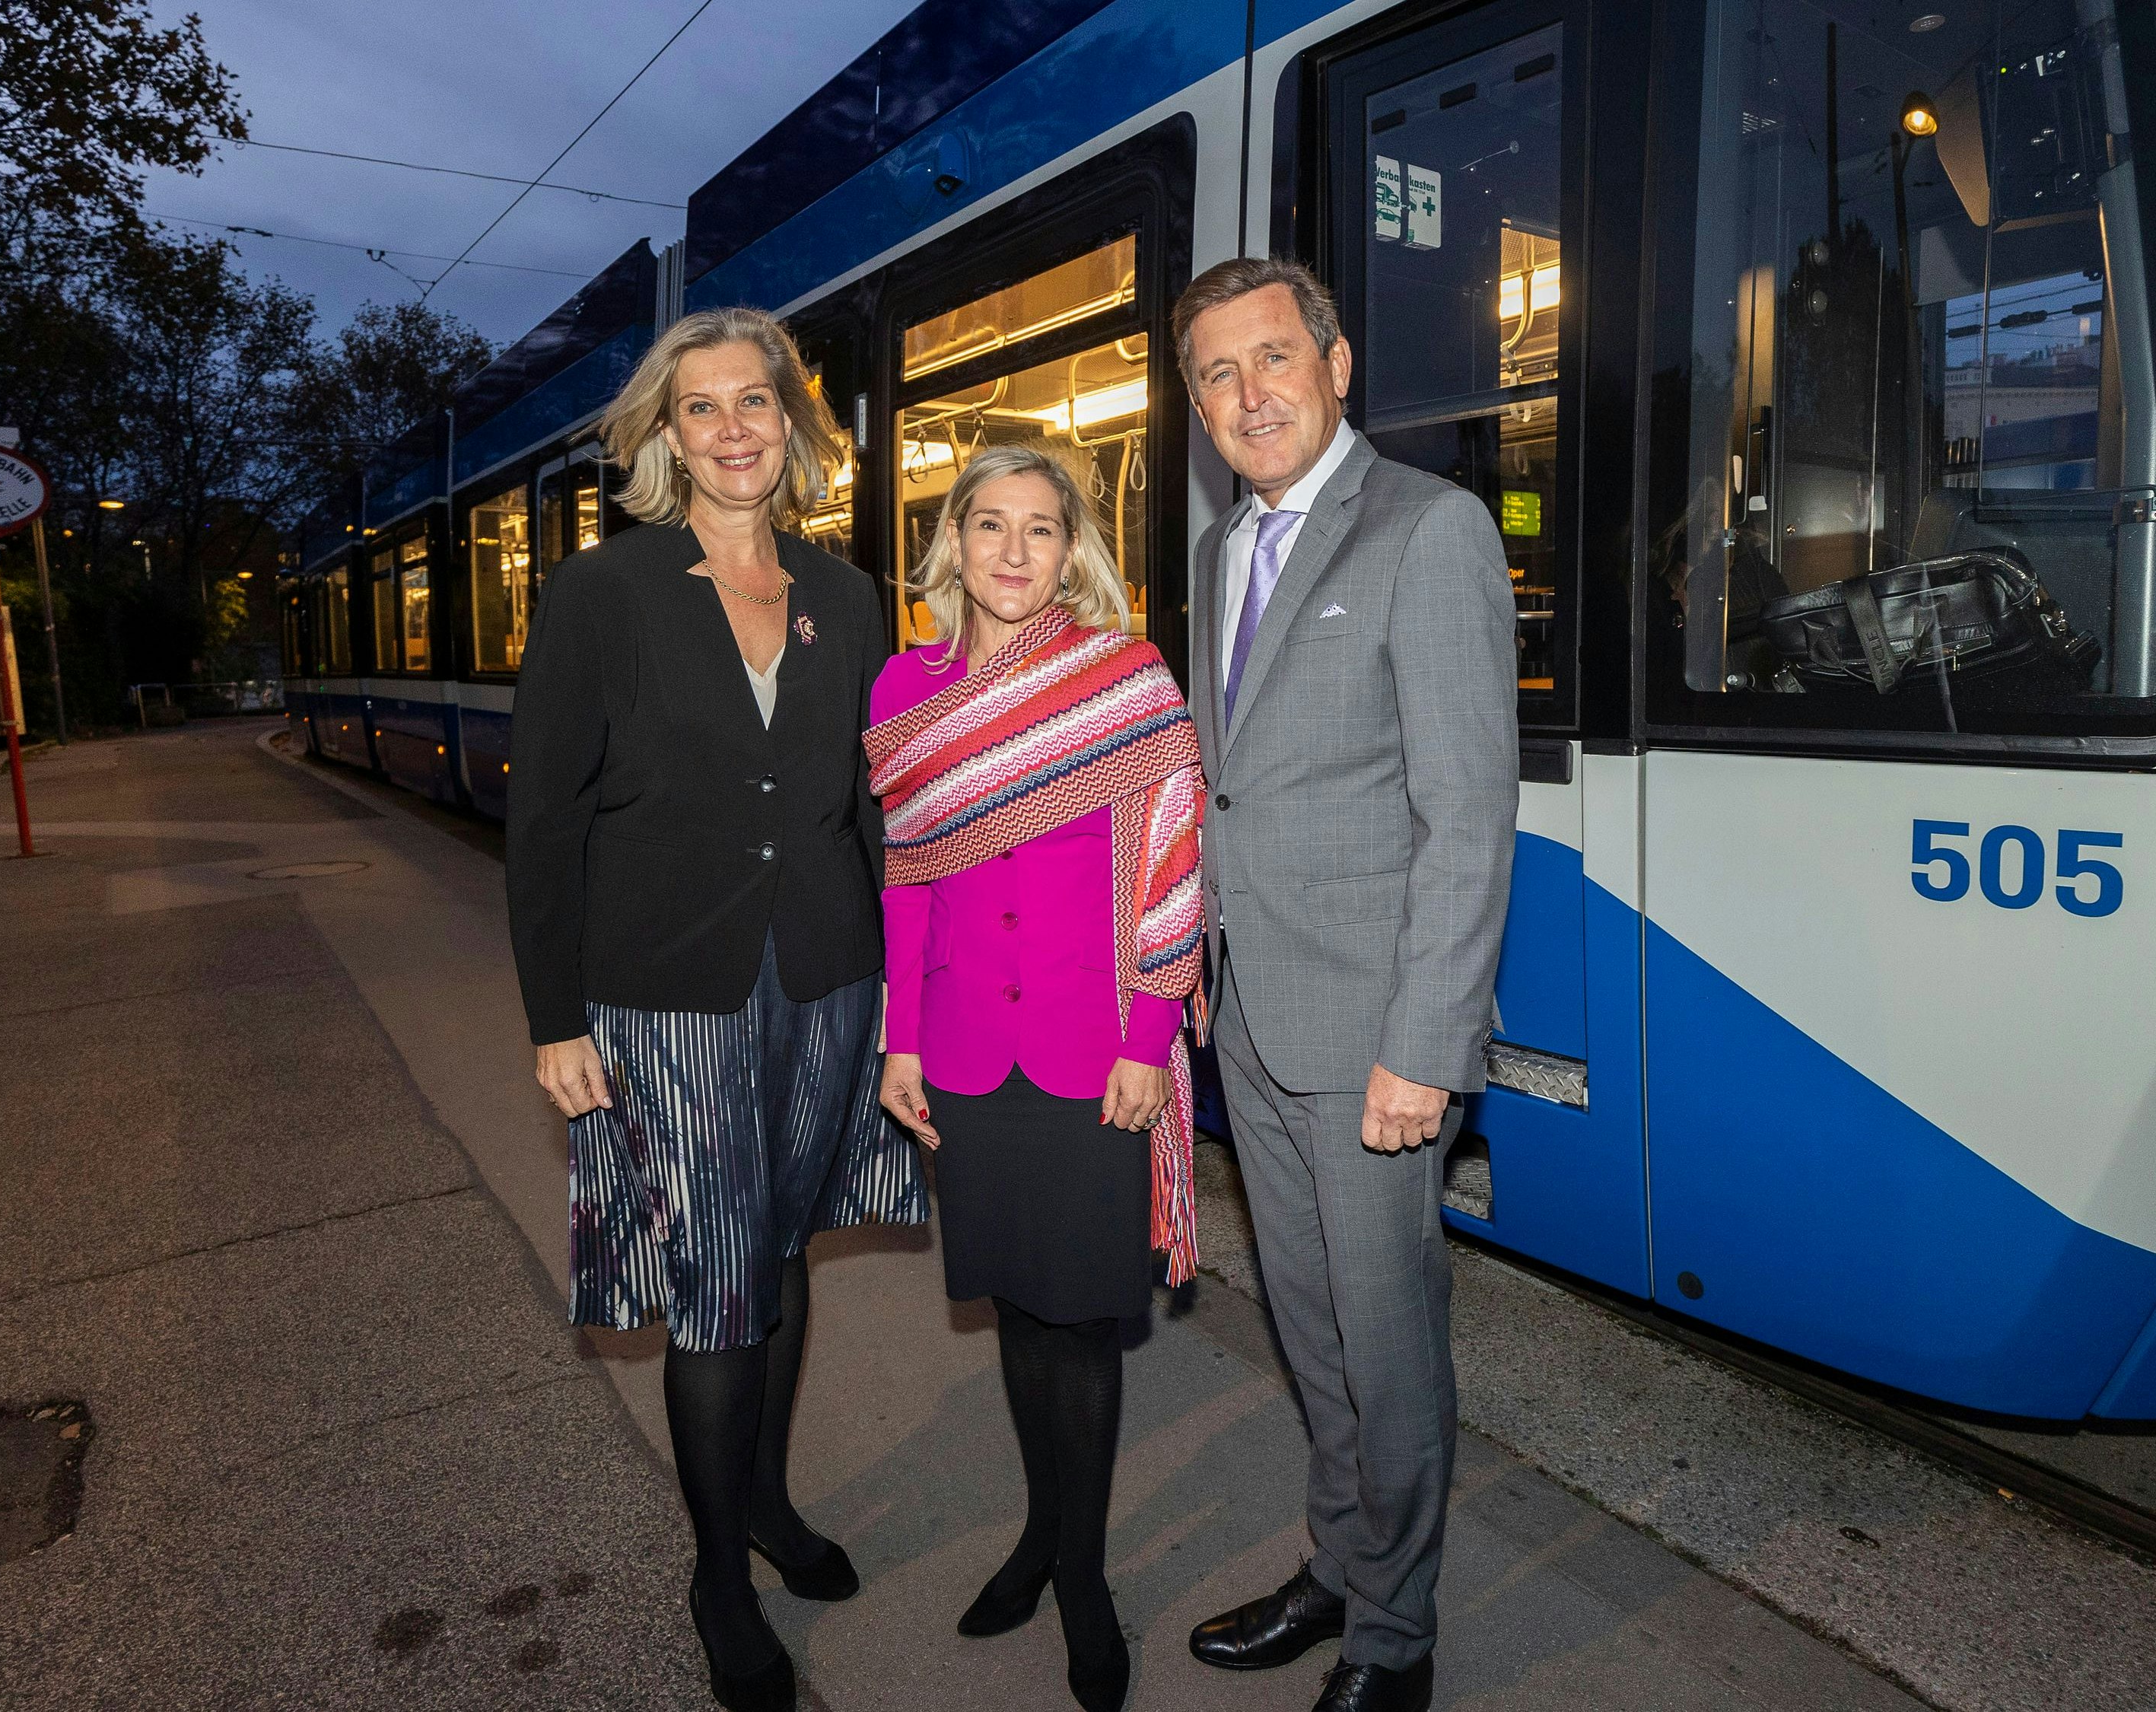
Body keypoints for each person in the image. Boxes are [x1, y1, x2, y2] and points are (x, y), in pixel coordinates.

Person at [503, 306, 926, 1712]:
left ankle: (766, 1501)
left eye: (759, 403)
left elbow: (877, 804)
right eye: (704, 409)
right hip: (663, 986)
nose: (736, 428)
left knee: (785, 1243)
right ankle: (715, 1574)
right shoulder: (603, 591)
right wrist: (554, 1017)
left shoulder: (846, 590)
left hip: (824, 972)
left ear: (795, 428)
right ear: (663, 437)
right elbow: (545, 817)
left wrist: (913, 999)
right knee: (716, 1273)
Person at [1172, 258, 1517, 1712]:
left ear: (1336, 363)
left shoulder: (1429, 531)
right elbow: (1233, 786)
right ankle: (1342, 1565)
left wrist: (1425, 1049)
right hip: (1249, 1015)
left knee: (1385, 1345)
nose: (1248, 396)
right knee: (1308, 1331)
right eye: (1216, 376)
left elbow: (1468, 815)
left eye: (1272, 360)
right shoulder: (1217, 553)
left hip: (1375, 1030)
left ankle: (1397, 1639)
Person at [867, 442, 1204, 1712]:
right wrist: (902, 1041)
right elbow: (906, 881)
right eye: (989, 526)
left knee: (1081, 1325)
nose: (1015, 552)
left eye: (1042, 530)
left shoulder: (1123, 677)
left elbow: (1175, 860)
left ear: (1076, 550)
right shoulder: (906, 685)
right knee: (1018, 1313)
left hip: (1089, 1055)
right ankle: (1040, 1536)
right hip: (964, 1054)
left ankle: (1083, 1577)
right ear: (951, 543)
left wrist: (1146, 1041)